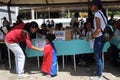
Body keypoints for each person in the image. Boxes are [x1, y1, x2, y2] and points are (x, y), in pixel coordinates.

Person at [87, 0, 108, 80]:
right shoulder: (102, 13)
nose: (90, 7)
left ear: (96, 6)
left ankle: (99, 76)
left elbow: (98, 29)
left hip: (99, 38)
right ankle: (99, 72)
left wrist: (91, 37)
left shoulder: (97, 14)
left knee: (97, 57)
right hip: (102, 37)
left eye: (91, 5)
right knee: (99, 56)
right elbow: (100, 28)